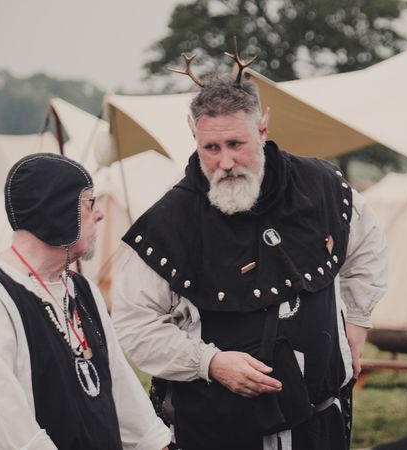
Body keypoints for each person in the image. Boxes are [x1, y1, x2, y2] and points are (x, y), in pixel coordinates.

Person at [111, 70, 387, 450]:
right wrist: (209, 363)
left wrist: (356, 321)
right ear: (193, 133)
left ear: (262, 128)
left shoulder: (321, 185)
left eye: (235, 144)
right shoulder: (169, 223)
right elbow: (135, 324)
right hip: (219, 431)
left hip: (321, 424)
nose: (225, 161)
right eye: (211, 148)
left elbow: (367, 245)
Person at [0, 153, 171, 450]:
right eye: (89, 203)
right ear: (58, 212)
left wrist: (157, 444)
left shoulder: (82, 289)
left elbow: (119, 383)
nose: (99, 214)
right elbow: (1, 414)